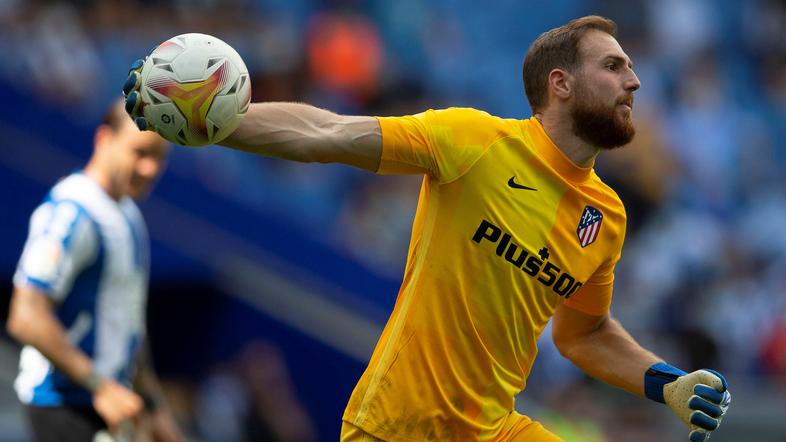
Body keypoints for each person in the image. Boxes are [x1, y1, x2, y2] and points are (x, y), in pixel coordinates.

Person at [124, 15, 731, 442]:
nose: (635, 81)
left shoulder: (607, 217)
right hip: (396, 426)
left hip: (494, 429)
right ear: (561, 84)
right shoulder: (472, 141)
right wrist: (212, 118)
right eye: (614, 66)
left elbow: (585, 334)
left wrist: (667, 384)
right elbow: (326, 133)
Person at [6, 100, 181, 442]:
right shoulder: (72, 213)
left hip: (104, 405)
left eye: (159, 158)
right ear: (104, 140)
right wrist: (100, 386)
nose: (149, 168)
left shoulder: (127, 214)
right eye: (140, 152)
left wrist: (155, 408)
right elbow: (25, 315)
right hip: (62, 405)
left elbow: (128, 324)